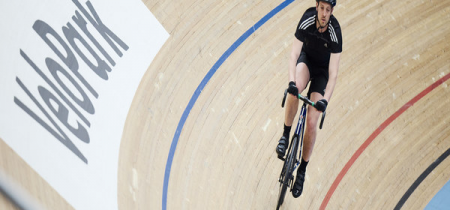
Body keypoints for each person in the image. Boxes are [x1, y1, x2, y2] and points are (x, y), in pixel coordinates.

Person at [275, 0, 342, 198]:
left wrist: (325, 101)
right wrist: (291, 82)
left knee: (312, 121)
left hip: (322, 73)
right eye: (321, 8)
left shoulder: (335, 32)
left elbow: (334, 73)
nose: (324, 13)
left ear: (331, 12)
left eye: (328, 10)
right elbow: (294, 55)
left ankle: (302, 171)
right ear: (317, 6)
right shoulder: (306, 19)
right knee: (295, 89)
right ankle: (286, 135)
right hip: (307, 62)